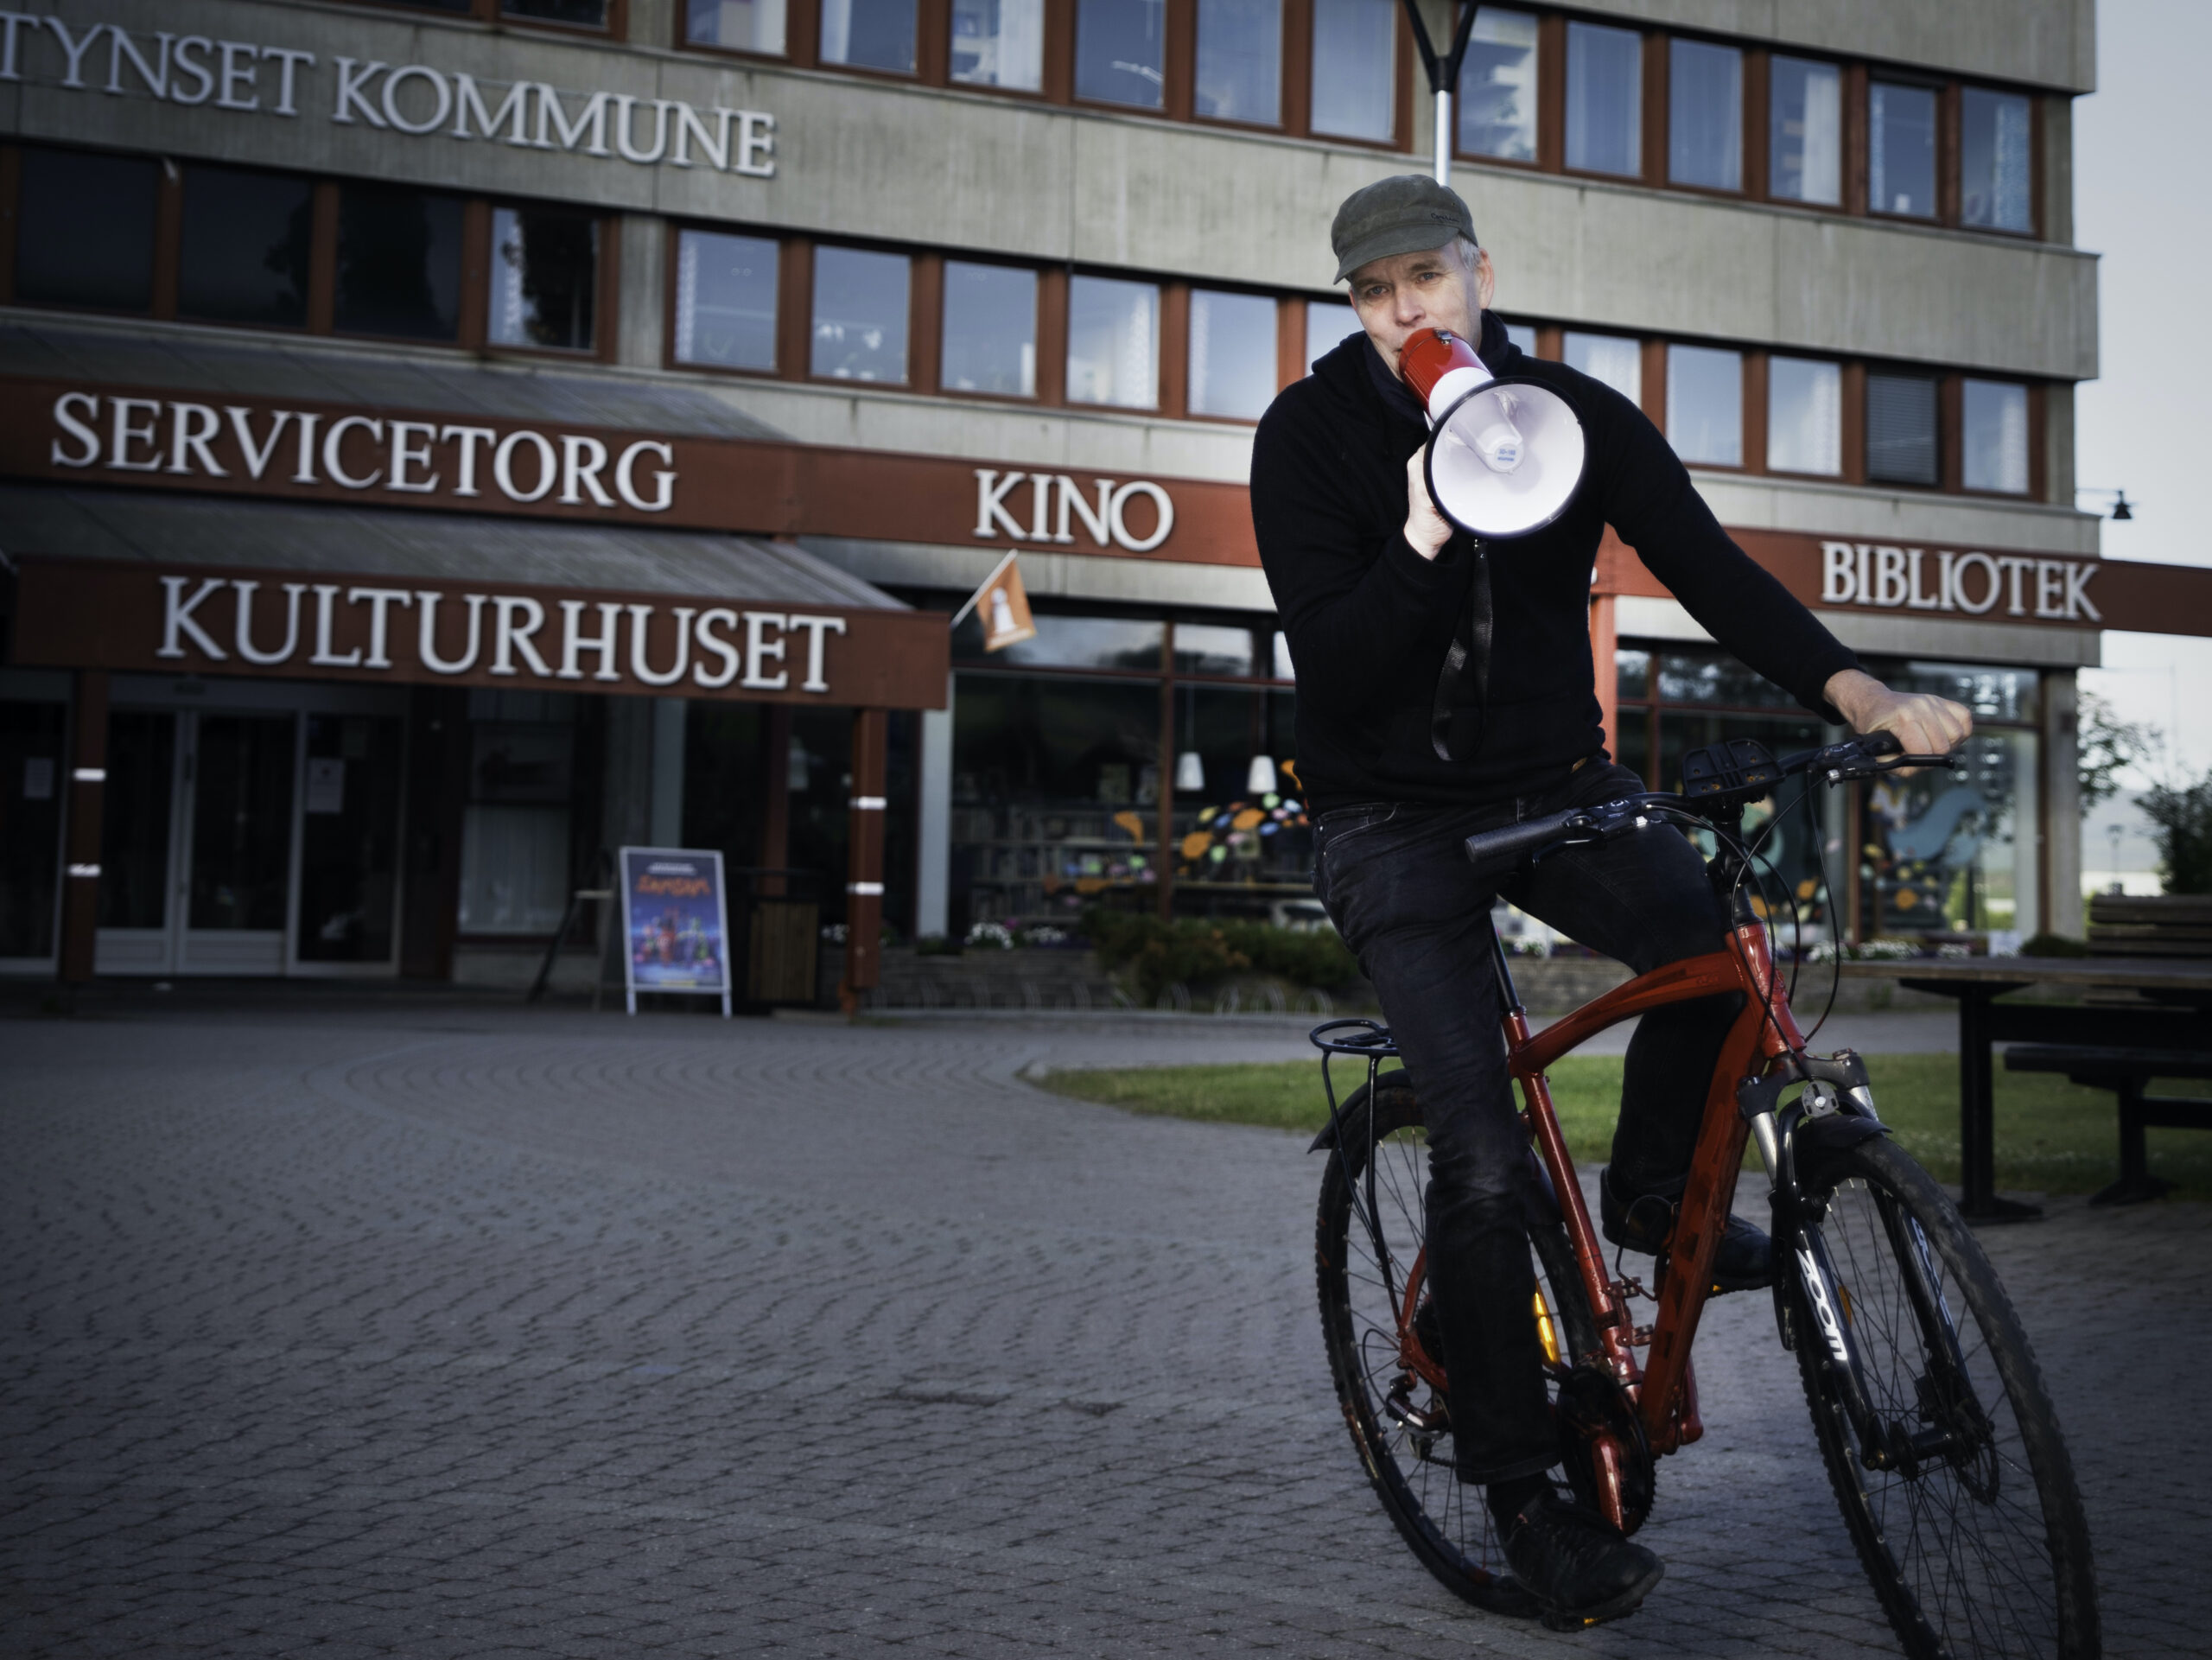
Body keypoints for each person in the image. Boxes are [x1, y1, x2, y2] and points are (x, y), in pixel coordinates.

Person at [1251, 175, 1972, 1626]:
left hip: (1553, 784)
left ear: (1479, 273)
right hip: (1387, 817)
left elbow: (1705, 562)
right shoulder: (1308, 436)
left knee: (1711, 948)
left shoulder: (1568, 413)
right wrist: (1423, 536)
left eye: (1429, 281)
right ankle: (1530, 1502)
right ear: (1351, 306)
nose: (1409, 313)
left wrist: (1857, 686)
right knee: (1476, 1152)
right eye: (1378, 292)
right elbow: (1337, 669)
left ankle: (1650, 1192)